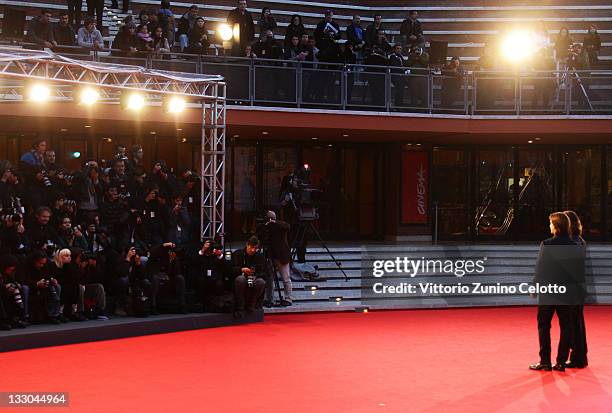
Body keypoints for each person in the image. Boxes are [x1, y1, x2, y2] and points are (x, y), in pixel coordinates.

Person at [529, 212, 579, 372]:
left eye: (551, 223)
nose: (549, 226)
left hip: (548, 291)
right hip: (567, 292)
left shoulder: (547, 244)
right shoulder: (574, 246)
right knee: (566, 326)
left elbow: (540, 268)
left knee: (544, 325)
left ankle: (544, 361)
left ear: (556, 226)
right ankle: (561, 362)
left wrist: (534, 287)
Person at [564, 210, 588, 368]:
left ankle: (577, 357)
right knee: (578, 322)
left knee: (573, 323)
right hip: (578, 286)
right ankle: (580, 356)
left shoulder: (571, 241)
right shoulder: (580, 240)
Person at [262, 211, 292, 306]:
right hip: (270, 255)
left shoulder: (280, 226)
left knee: (285, 278)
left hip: (281, 255)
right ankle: (269, 299)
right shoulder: (266, 227)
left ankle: (288, 298)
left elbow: (287, 226)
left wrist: (275, 223)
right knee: (269, 279)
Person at [231, 236, 265, 318]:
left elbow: (263, 272)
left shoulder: (259, 256)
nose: (253, 250)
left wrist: (255, 276)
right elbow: (230, 269)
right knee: (241, 279)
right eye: (251, 247)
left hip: (253, 277)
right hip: (239, 277)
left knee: (261, 282)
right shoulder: (237, 253)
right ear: (247, 245)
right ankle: (240, 307)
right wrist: (241, 269)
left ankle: (251, 304)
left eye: (255, 248)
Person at [389, 43, 407, 108]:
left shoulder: (401, 56)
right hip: (395, 75)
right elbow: (395, 66)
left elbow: (404, 65)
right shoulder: (392, 56)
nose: (399, 50)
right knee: (399, 89)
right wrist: (403, 69)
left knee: (401, 90)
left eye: (400, 48)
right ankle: (397, 105)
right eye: (398, 48)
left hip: (401, 76)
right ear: (394, 49)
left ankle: (400, 105)